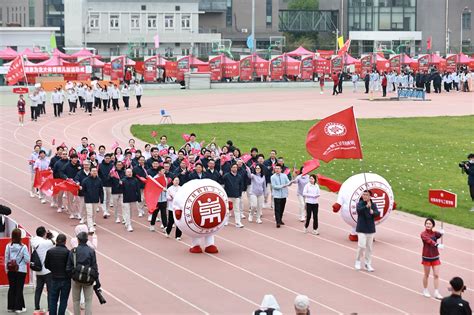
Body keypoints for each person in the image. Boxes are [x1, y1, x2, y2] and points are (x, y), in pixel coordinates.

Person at [66, 232, 99, 315]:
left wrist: (72, 276)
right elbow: (94, 267)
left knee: (76, 301)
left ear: (78, 240)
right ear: (87, 240)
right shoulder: (91, 251)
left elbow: (68, 267)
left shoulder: (73, 251)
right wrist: (96, 280)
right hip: (88, 279)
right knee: (88, 301)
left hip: (76, 279)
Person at [4, 228, 30, 313]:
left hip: (11, 270)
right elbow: (27, 260)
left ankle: (11, 307)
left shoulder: (8, 246)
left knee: (12, 288)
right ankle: (19, 308)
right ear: (20, 237)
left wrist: (6, 269)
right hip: (21, 270)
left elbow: (6, 258)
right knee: (19, 288)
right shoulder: (24, 247)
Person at [44, 233, 70, 315]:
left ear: (56, 241)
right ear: (65, 242)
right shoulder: (68, 252)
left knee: (53, 300)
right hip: (65, 279)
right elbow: (69, 266)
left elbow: (46, 265)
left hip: (53, 278)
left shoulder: (50, 251)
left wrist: (53, 270)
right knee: (63, 300)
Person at [31, 226, 55, 312]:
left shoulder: (33, 241)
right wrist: (51, 234)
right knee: (50, 291)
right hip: (47, 271)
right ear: (44, 233)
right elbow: (55, 240)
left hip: (38, 270)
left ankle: (36, 308)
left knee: (38, 290)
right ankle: (49, 309)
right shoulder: (45, 243)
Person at [354, 190, 379, 272]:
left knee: (369, 248)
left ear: (370, 197)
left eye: (366, 195)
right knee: (362, 246)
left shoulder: (373, 205)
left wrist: (373, 212)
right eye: (363, 194)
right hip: (361, 229)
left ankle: (367, 264)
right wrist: (366, 207)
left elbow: (377, 213)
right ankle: (358, 261)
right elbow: (359, 211)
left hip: (370, 229)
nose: (364, 196)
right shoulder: (360, 204)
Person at [421, 217, 444, 299]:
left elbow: (439, 235)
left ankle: (436, 292)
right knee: (426, 275)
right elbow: (429, 241)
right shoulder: (423, 234)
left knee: (436, 275)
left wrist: (441, 232)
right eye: (427, 223)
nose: (428, 225)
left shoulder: (434, 233)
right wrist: (437, 245)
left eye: (430, 224)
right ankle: (425, 290)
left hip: (435, 256)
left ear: (433, 225)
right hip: (426, 257)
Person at [81, 167, 104, 232]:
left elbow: (101, 190)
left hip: (96, 199)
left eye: (95, 171)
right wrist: (86, 195)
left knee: (94, 213)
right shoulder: (85, 180)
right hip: (88, 200)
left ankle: (92, 223)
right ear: (90, 172)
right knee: (89, 213)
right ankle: (90, 227)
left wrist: (101, 199)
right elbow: (83, 190)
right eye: (93, 171)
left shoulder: (99, 180)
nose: (94, 172)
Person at [222, 163, 245, 228]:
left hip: (236, 196)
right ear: (231, 168)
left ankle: (238, 222)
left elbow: (241, 186)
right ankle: (226, 221)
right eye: (233, 167)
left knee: (237, 209)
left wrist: (239, 194)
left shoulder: (239, 176)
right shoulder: (226, 176)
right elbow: (222, 183)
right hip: (228, 196)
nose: (235, 168)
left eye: (235, 167)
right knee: (227, 209)